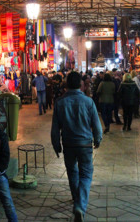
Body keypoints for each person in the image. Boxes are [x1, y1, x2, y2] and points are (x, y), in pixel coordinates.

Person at [51, 71, 102, 222]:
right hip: (85, 144)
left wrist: (56, 145)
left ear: (66, 84)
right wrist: (98, 139)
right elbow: (96, 125)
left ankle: (76, 200)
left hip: (68, 144)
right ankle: (80, 205)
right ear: (80, 84)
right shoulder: (88, 102)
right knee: (86, 174)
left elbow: (55, 128)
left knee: (72, 172)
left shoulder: (60, 103)